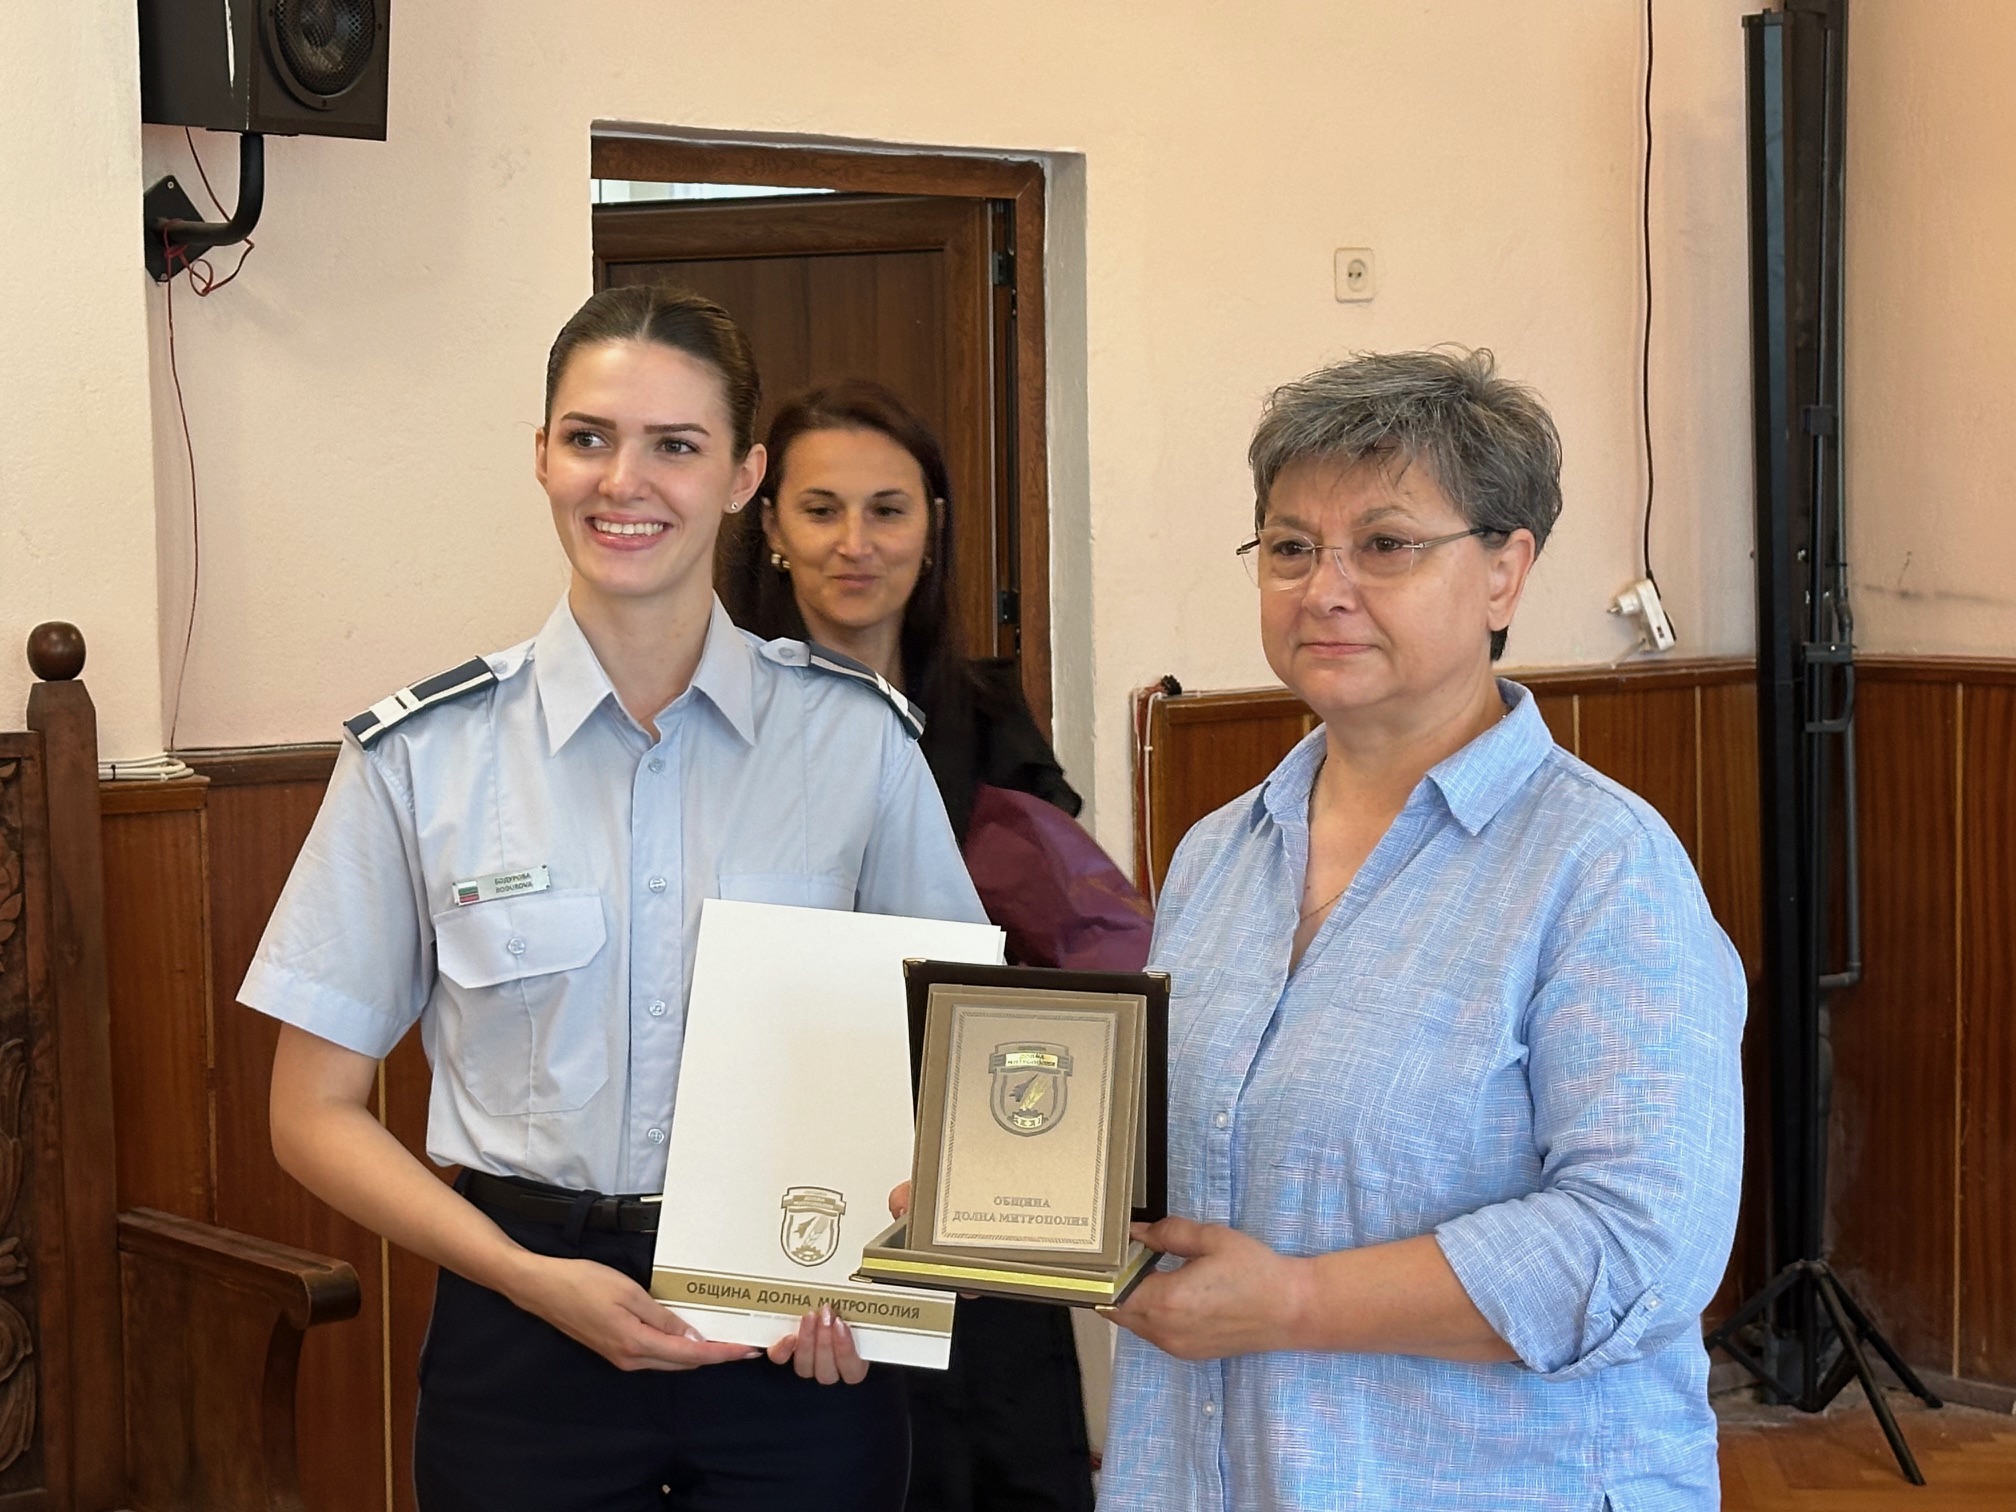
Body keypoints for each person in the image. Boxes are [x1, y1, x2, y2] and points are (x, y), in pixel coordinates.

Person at [244, 286, 989, 1512]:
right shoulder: (423, 758)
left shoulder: (855, 743)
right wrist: (525, 1277)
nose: (623, 481)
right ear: (542, 454)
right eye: (590, 437)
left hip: (795, 1333)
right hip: (519, 1331)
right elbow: (309, 1112)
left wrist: (885, 1282)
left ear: (744, 477)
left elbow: (965, 1063)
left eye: (676, 445)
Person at [1097, 349, 1746, 1511]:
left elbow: (1637, 1249)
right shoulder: (1217, 853)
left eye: (1386, 545)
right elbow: (1192, 1176)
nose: (1324, 588)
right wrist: (1005, 1214)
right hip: (1205, 1476)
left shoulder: (1603, 867)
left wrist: (1297, 1303)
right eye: (1290, 547)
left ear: (1505, 572)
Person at [721, 378, 1099, 1512]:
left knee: (1003, 1456)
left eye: (887, 510)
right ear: (771, 526)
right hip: (794, 1167)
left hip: (982, 1158)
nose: (856, 542)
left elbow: (1055, 956)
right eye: (820, 509)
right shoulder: (720, 721)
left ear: (932, 526)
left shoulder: (988, 711)